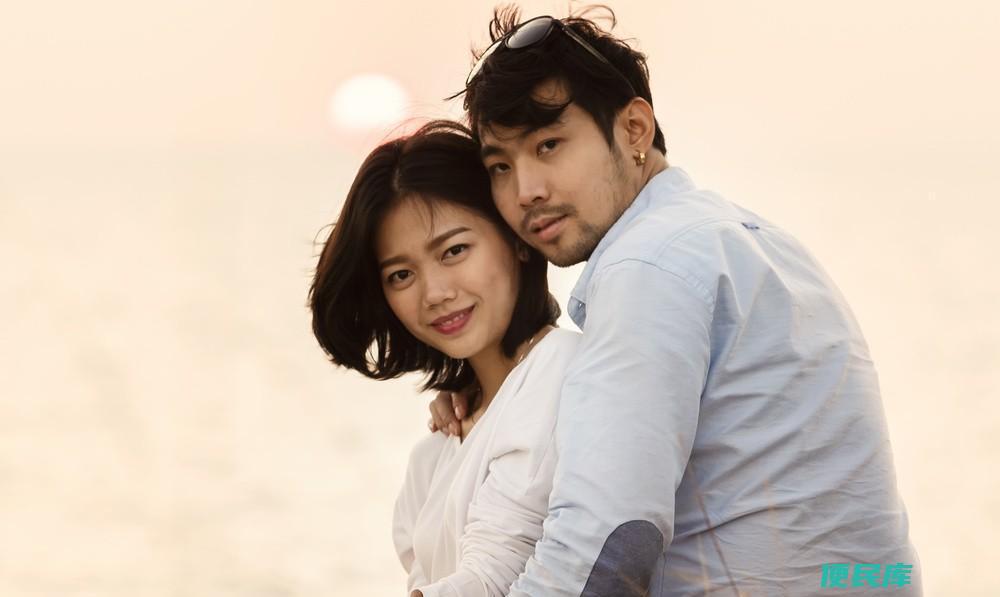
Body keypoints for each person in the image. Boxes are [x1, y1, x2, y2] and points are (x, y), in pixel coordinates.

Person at [427, 7, 922, 595]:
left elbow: (608, 543)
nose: (525, 190)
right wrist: (498, 400)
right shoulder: (749, 239)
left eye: (549, 144)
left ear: (634, 129)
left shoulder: (647, 266)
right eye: (500, 166)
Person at [308, 120, 582, 596]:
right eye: (400, 275)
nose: (434, 293)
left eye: (454, 250)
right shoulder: (432, 455)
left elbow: (495, 575)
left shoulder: (561, 368)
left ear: (516, 238)